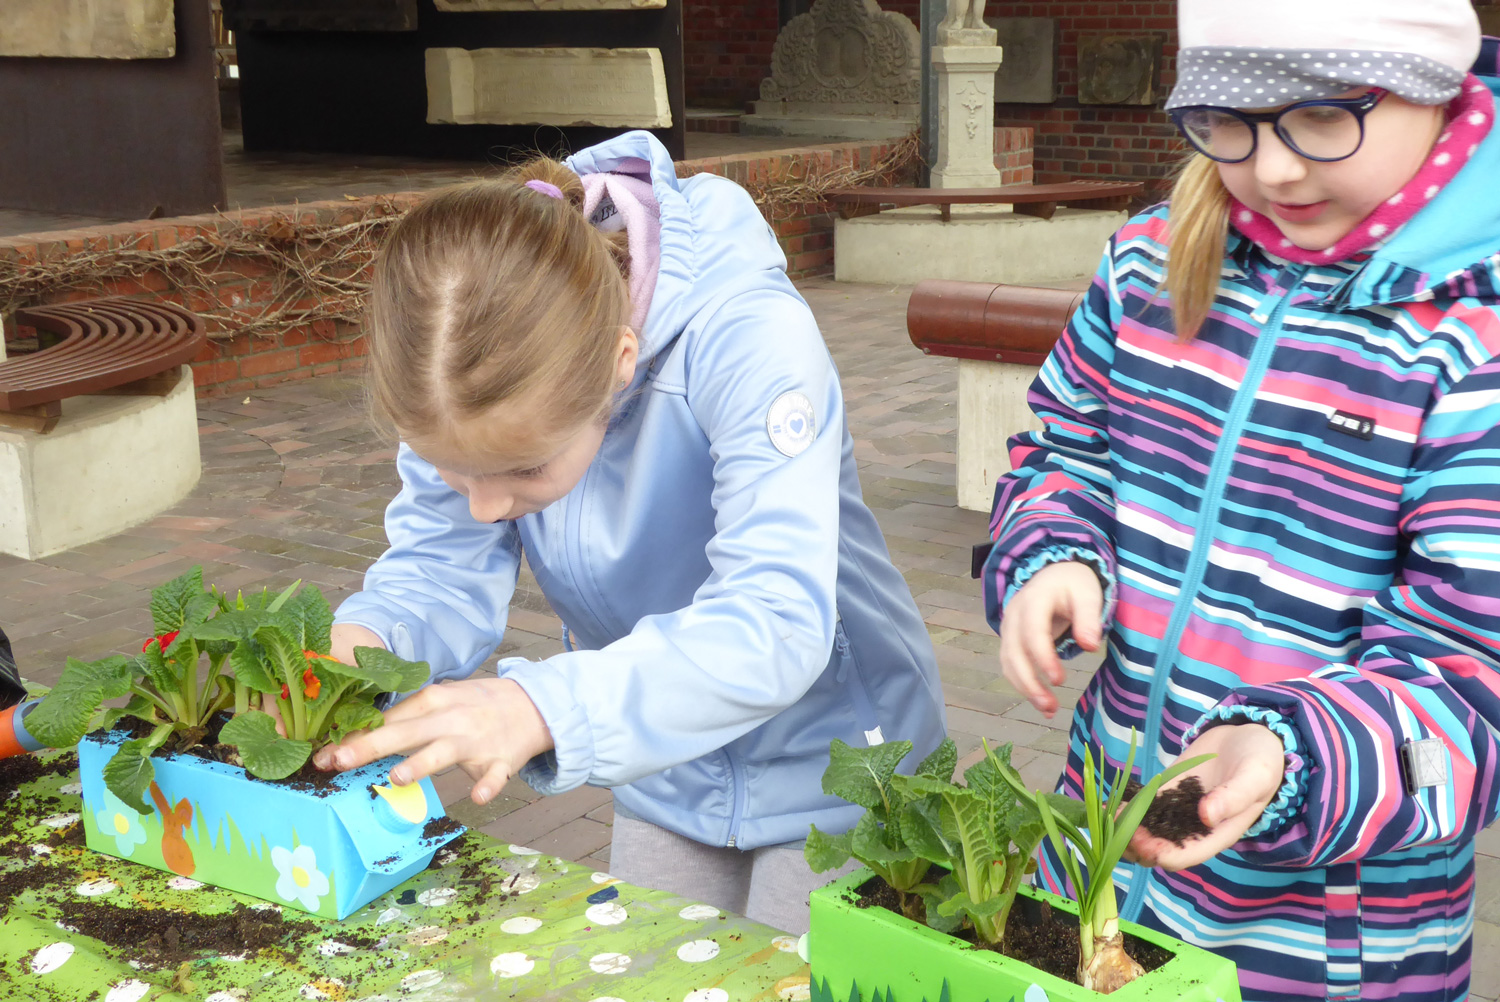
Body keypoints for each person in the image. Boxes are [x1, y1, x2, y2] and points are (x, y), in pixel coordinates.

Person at [983, 2, 1499, 999]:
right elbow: (1062, 443)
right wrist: (1050, 547)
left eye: (1320, 115)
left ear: (1435, 88)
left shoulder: (1471, 346)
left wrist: (1285, 753)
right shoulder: (1151, 260)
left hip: (1316, 946)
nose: (1273, 170)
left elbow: (1473, 677)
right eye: (1226, 119)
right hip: (1097, 854)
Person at [312, 131, 947, 934]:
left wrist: (538, 709)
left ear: (620, 361)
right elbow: (438, 569)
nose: (482, 506)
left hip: (845, 771)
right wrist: (354, 651)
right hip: (663, 765)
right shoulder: (460, 378)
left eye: (525, 473)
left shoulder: (752, 339)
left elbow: (775, 620)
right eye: (451, 471)